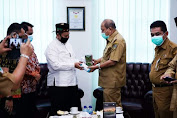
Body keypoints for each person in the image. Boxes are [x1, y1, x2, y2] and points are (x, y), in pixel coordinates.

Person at [45, 23, 83, 115]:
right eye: (65, 36)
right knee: (60, 112)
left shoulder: (68, 45)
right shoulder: (51, 47)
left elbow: (72, 59)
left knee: (75, 111)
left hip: (72, 82)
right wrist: (73, 65)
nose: (67, 37)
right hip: (59, 85)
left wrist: (82, 62)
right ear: (58, 35)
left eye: (68, 35)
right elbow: (55, 65)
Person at [88, 19, 126, 107]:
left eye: (103, 30)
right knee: (109, 108)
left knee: (113, 108)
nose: (102, 32)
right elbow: (108, 56)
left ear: (109, 29)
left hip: (113, 81)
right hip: (108, 81)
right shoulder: (111, 40)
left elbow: (113, 61)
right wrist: (98, 60)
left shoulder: (118, 41)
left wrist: (97, 66)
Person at [0, 23, 32, 118]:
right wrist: (8, 98)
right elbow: (5, 75)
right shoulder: (5, 50)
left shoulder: (16, 48)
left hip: (16, 91)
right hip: (7, 95)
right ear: (14, 35)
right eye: (21, 36)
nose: (23, 39)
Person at [149, 20, 177, 118]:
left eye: (157, 34)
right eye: (152, 35)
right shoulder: (158, 47)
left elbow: (173, 68)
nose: (154, 37)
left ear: (166, 34)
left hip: (165, 91)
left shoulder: (173, 48)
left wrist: (170, 75)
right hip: (155, 90)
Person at [20, 22, 40, 118]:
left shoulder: (31, 46)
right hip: (23, 87)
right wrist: (33, 74)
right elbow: (21, 65)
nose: (31, 37)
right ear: (23, 33)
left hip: (32, 86)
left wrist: (37, 74)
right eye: (29, 34)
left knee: (33, 112)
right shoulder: (19, 47)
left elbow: (36, 62)